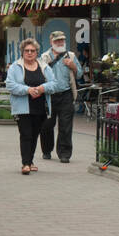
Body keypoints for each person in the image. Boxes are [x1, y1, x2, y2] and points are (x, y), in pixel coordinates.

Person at [7, 38, 55, 174]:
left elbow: (54, 84)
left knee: (34, 135)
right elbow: (10, 85)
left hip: (40, 107)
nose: (29, 53)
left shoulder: (44, 66)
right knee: (26, 134)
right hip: (22, 107)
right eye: (26, 51)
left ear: (37, 53)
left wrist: (41, 88)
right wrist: (27, 90)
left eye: (32, 51)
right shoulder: (15, 67)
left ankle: (30, 160)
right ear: (22, 52)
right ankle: (25, 164)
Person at [38, 30, 82, 163]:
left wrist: (73, 66)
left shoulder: (71, 55)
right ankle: (46, 150)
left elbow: (79, 74)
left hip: (66, 94)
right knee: (46, 125)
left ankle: (64, 154)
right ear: (52, 42)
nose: (60, 42)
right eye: (57, 41)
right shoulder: (44, 57)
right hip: (49, 96)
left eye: (62, 40)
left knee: (66, 126)